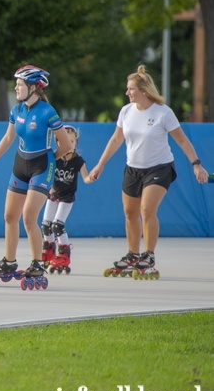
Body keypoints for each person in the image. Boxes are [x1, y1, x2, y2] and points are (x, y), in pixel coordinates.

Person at [88, 65, 208, 277]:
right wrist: (101, 164)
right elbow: (116, 139)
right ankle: (133, 254)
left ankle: (149, 255)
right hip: (133, 169)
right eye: (127, 89)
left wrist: (196, 164)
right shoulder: (126, 111)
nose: (127, 93)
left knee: (146, 210)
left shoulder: (163, 112)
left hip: (160, 168)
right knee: (130, 213)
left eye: (131, 89)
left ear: (143, 90)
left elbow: (182, 140)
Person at [0, 65, 72, 289]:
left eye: (19, 84)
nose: (15, 88)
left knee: (29, 216)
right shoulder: (17, 110)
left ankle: (38, 263)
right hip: (20, 164)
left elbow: (66, 145)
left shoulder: (48, 112)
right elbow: (8, 138)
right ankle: (9, 261)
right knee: (10, 216)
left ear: (33, 87)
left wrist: (50, 160)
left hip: (42, 166)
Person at [41, 125, 90, 274]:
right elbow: (46, 176)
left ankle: (64, 255)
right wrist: (50, 190)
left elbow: (86, 177)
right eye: (65, 141)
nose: (70, 144)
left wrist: (91, 176)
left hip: (67, 198)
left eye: (72, 141)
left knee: (57, 226)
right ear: (58, 142)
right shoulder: (54, 158)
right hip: (54, 194)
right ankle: (48, 251)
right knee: (45, 226)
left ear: (76, 143)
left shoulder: (78, 161)